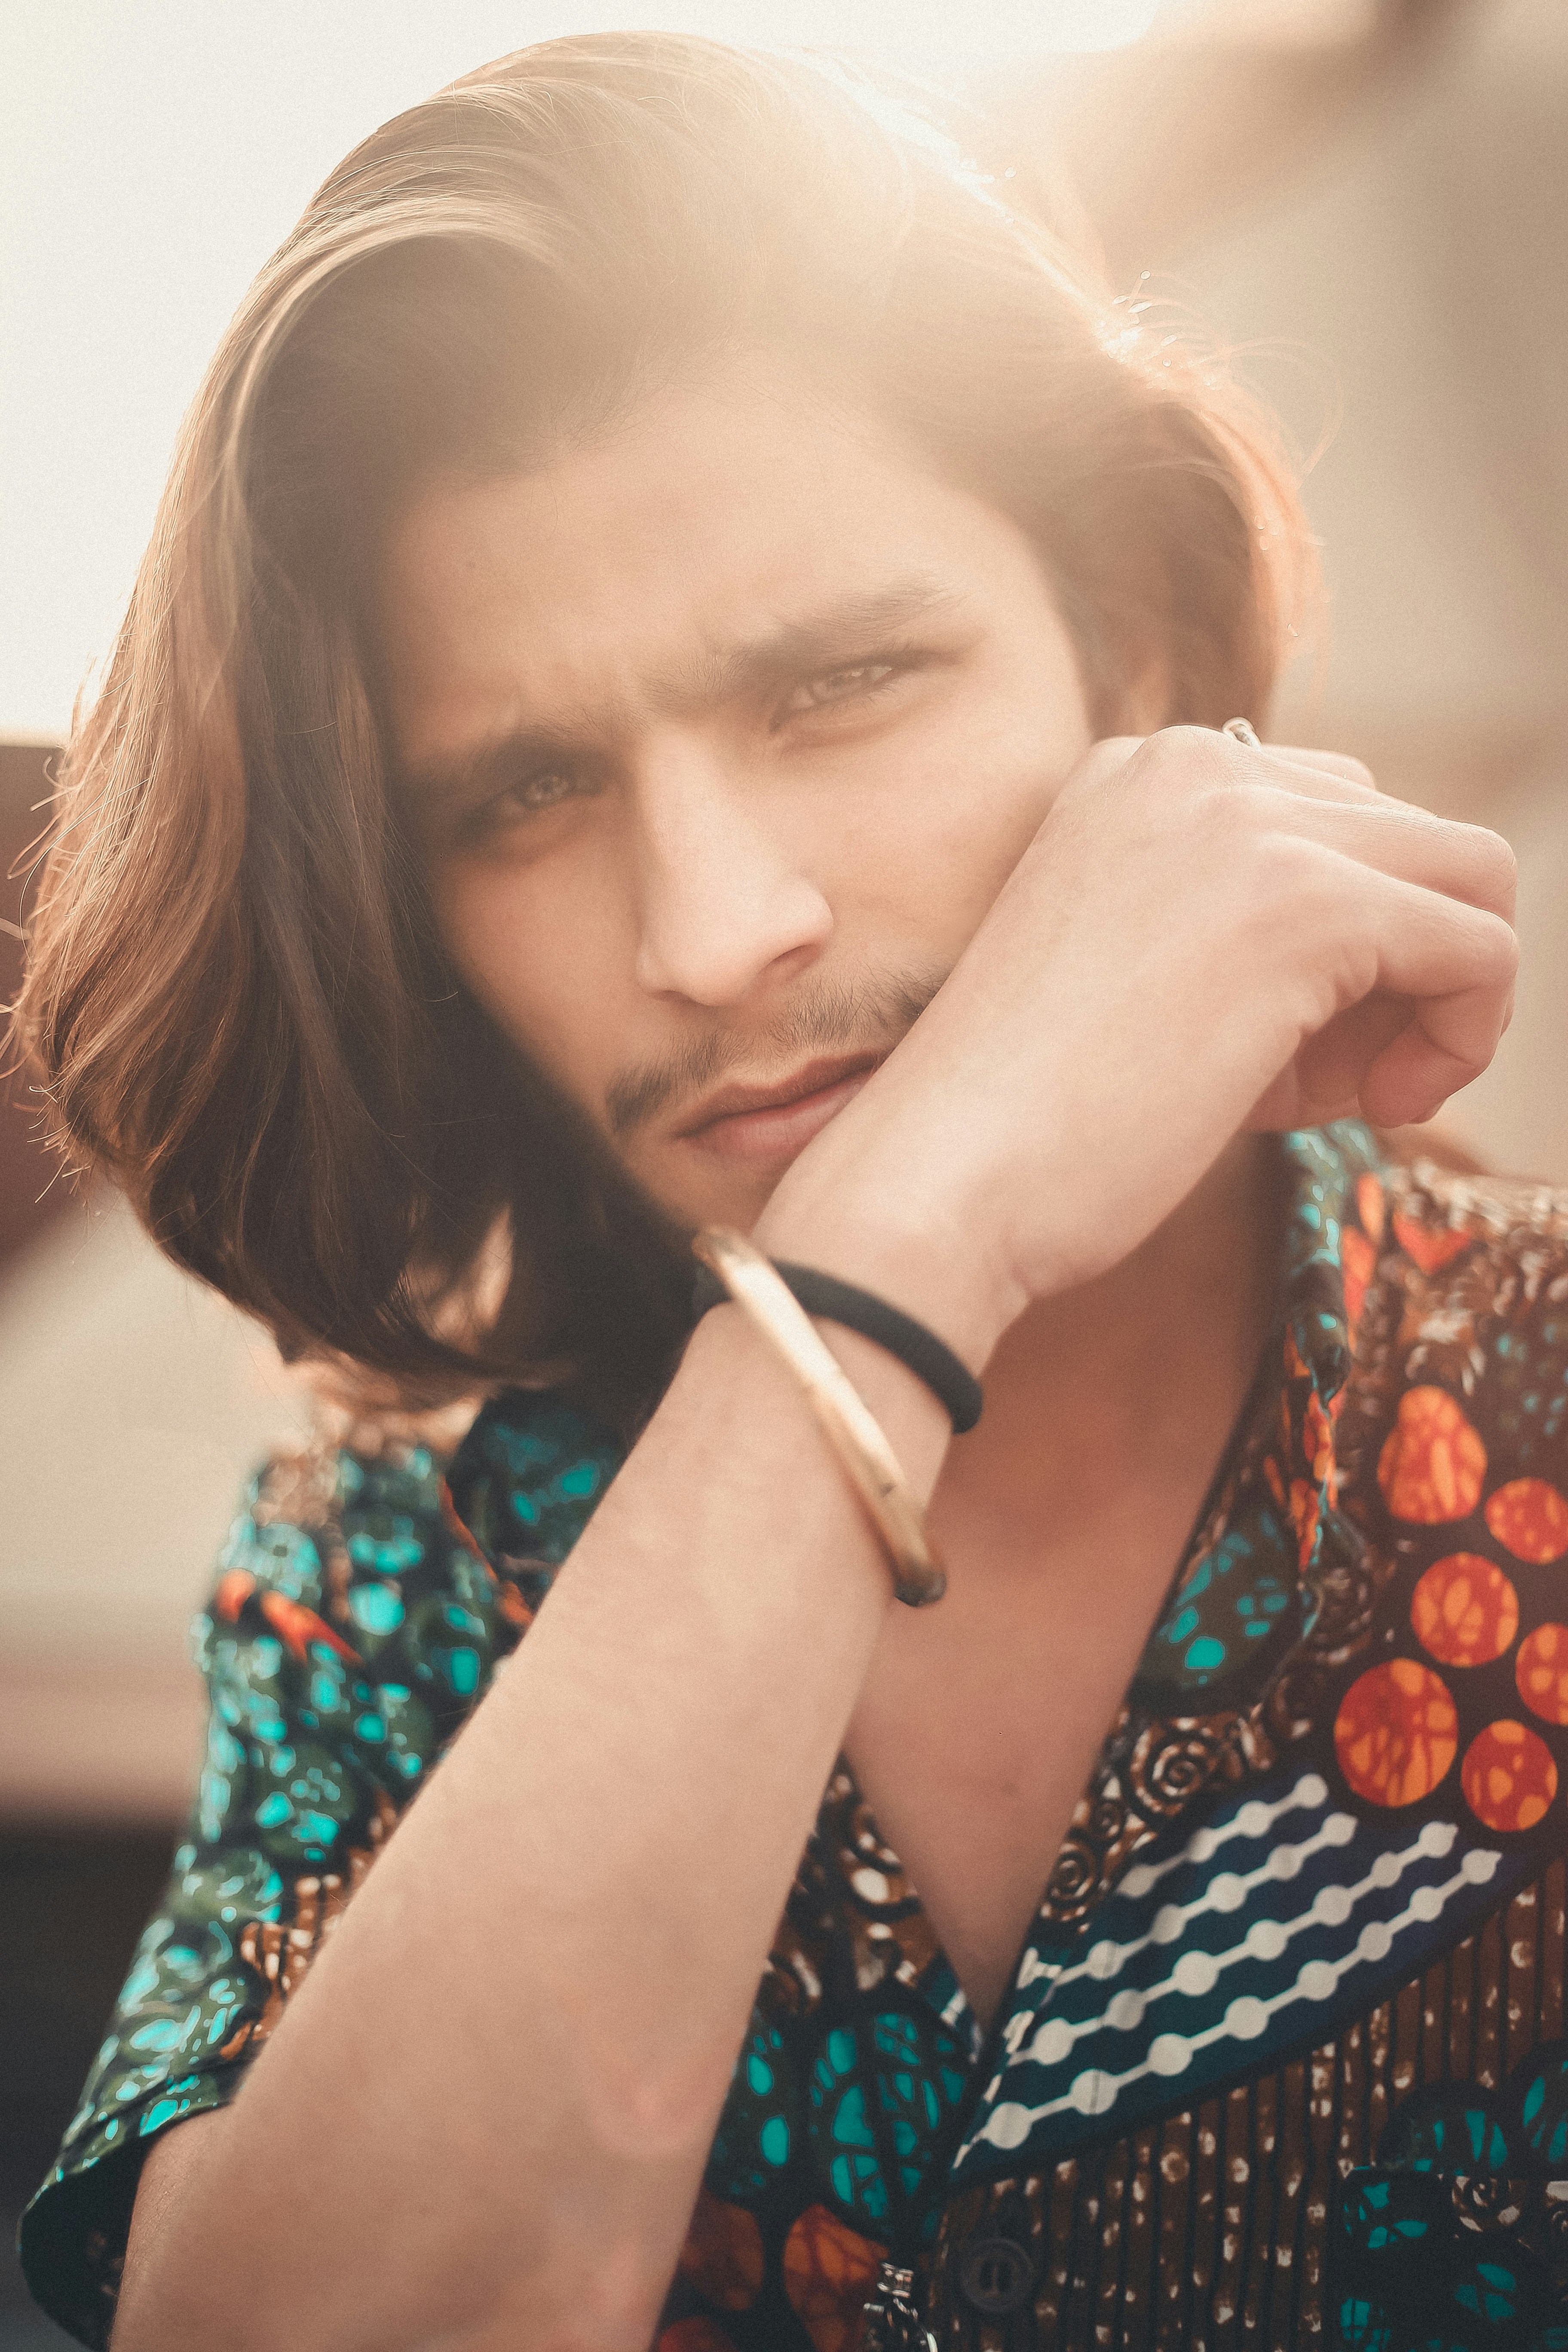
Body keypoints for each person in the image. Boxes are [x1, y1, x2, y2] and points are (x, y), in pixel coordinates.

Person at [12, 32, 1563, 2352]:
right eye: (525, 796)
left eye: (843, 684)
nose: (715, 929)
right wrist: (893, 1263)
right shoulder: (401, 1569)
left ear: (1135, 649)